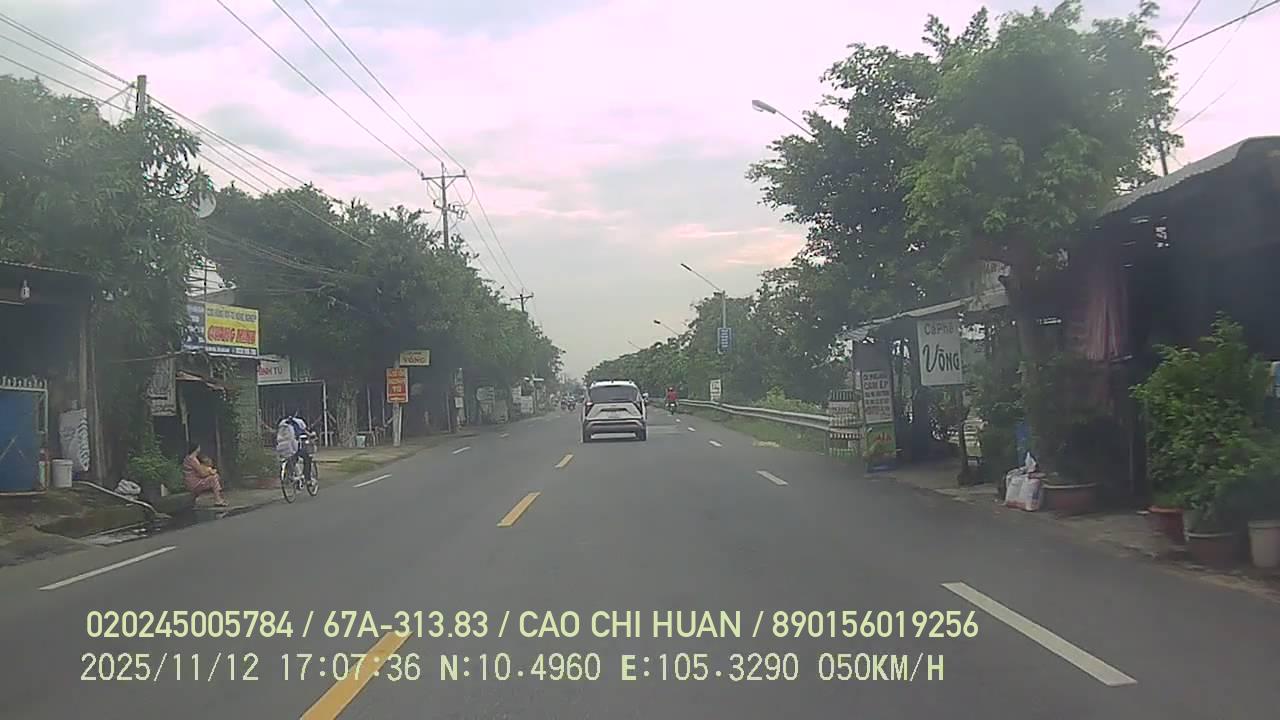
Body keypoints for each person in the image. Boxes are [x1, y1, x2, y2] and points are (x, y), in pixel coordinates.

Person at [275, 412, 313, 484]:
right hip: (294, 447)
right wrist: (311, 435)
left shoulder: (281, 423)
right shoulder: (299, 421)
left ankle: (290, 475)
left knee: (291, 458)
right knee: (307, 457)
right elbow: (305, 432)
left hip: (282, 447)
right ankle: (307, 478)